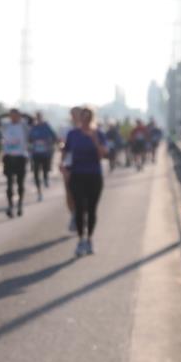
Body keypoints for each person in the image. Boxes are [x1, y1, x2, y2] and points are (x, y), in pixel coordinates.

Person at [62, 106, 108, 256]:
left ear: (92, 118)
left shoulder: (99, 134)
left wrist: (94, 139)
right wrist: (63, 167)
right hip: (77, 175)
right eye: (83, 117)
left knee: (92, 209)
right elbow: (66, 151)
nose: (85, 120)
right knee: (80, 208)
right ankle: (81, 239)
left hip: (94, 175)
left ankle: (90, 239)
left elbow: (102, 155)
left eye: (88, 117)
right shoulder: (73, 134)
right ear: (79, 118)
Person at [0, 108, 33, 217]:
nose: (13, 117)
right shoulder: (6, 125)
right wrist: (6, 114)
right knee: (9, 184)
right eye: (11, 116)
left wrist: (21, 114)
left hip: (20, 157)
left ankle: (19, 205)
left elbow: (32, 120)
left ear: (19, 116)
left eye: (15, 115)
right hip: (8, 157)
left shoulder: (24, 125)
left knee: (20, 183)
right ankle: (10, 205)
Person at [28, 110, 57, 201]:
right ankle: (39, 192)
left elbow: (54, 137)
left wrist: (49, 143)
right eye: (37, 117)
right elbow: (29, 139)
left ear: (42, 117)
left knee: (45, 170)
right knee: (36, 173)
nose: (38, 119)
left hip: (46, 153)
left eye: (40, 117)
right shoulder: (33, 127)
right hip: (36, 153)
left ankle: (46, 178)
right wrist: (32, 143)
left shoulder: (46, 126)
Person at [62, 106, 81, 231]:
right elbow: (64, 147)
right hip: (69, 164)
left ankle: (80, 215)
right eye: (72, 114)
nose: (74, 117)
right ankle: (74, 215)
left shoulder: (89, 129)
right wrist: (61, 162)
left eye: (77, 114)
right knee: (69, 192)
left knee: (82, 193)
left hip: (84, 165)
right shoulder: (67, 130)